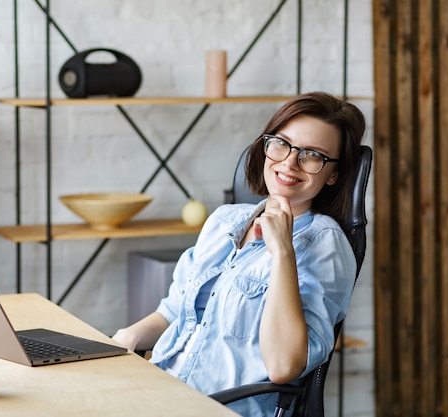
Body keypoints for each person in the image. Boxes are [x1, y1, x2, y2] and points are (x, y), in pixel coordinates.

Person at [112, 91, 366, 416]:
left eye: (312, 154)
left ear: (333, 173)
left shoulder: (325, 245)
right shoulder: (223, 221)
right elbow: (178, 310)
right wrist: (125, 337)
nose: (289, 162)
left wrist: (282, 251)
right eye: (281, 143)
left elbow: (283, 367)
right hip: (160, 392)